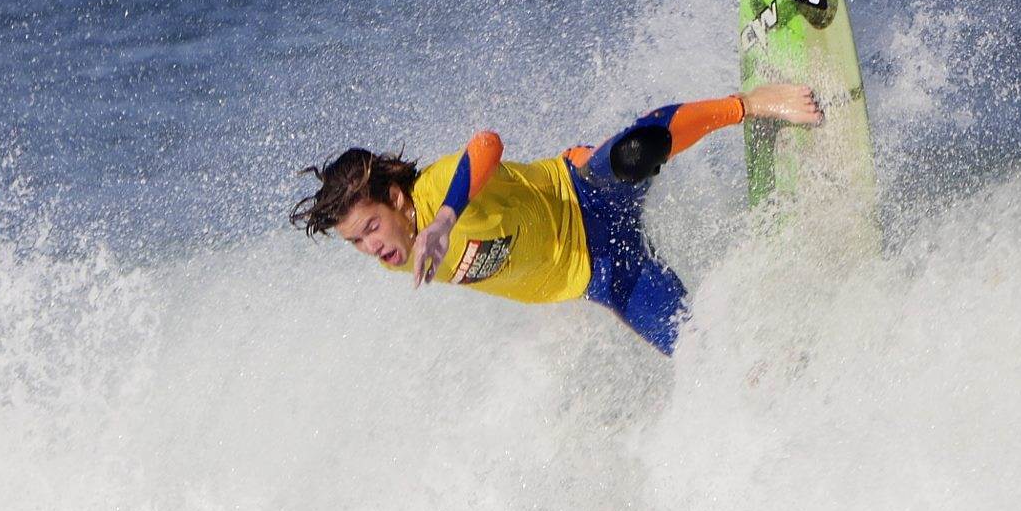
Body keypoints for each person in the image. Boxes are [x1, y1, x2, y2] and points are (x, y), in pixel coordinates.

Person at [289, 84, 824, 353]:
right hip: (605, 273)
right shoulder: (395, 255)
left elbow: (486, 144)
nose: (371, 247)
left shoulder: (434, 191)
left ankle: (747, 104)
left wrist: (446, 219)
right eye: (356, 242)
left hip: (583, 193)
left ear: (397, 199)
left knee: (634, 152)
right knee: (702, 353)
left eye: (371, 227)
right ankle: (795, 353)